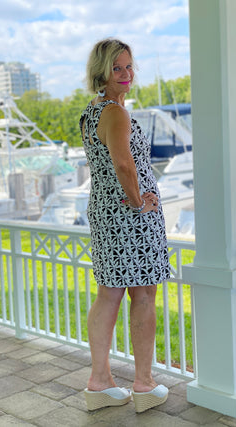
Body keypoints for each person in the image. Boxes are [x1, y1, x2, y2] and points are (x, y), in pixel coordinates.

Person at [80, 38, 170, 413]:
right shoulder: (116, 114)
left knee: (109, 294)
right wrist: (140, 203)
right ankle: (145, 385)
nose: (126, 74)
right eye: (117, 68)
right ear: (101, 72)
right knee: (143, 295)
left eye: (129, 66)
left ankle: (99, 382)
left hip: (104, 214)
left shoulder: (91, 112)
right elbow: (123, 165)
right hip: (131, 218)